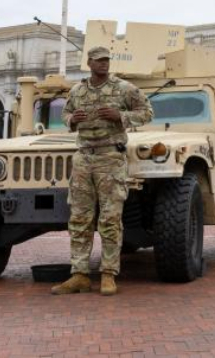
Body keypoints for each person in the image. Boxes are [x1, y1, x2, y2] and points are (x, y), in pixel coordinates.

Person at [52, 47, 153, 297]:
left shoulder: (124, 88)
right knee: (79, 218)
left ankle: (108, 274)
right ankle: (79, 274)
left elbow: (147, 113)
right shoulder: (77, 90)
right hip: (84, 157)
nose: (104, 64)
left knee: (110, 219)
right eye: (99, 61)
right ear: (89, 63)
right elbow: (65, 114)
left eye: (107, 60)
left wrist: (122, 116)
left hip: (111, 157)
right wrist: (72, 120)